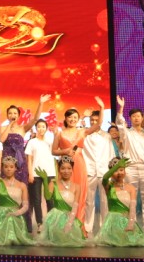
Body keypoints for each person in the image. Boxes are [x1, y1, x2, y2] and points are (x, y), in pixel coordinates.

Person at [51, 96, 105, 227]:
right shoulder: (60, 133)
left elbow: (98, 124)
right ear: (65, 118)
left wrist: (102, 107)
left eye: (75, 117)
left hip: (79, 165)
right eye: (70, 117)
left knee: (80, 195)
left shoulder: (82, 131)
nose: (72, 119)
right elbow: (53, 151)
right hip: (64, 165)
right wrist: (65, 151)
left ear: (78, 119)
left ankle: (79, 225)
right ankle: (63, 224)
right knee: (65, 192)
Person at [115, 95, 144, 233]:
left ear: (142, 118)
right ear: (130, 119)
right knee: (131, 198)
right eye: (134, 116)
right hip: (131, 168)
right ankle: (132, 225)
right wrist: (121, 108)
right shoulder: (126, 133)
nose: (137, 118)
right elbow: (120, 124)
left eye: (139, 116)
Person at [95, 157, 144, 247]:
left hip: (127, 221)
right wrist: (117, 166)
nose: (119, 173)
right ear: (111, 173)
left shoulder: (131, 188)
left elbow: (132, 207)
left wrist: (131, 223)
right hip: (112, 224)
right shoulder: (109, 186)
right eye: (116, 171)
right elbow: (105, 177)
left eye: (121, 170)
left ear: (125, 172)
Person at [0, 95, 51, 195]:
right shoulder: (3, 128)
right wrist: (10, 125)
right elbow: (2, 139)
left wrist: (41, 103)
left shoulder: (22, 128)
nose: (12, 115)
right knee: (7, 186)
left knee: (21, 186)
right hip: (7, 159)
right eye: (10, 113)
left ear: (18, 116)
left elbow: (35, 119)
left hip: (20, 160)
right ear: (7, 116)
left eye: (15, 113)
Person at [0, 154, 34, 246]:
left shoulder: (22, 185)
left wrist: (16, 213)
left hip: (16, 215)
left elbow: (26, 206)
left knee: (11, 220)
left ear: (15, 168)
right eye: (6, 167)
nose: (8, 169)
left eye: (11, 167)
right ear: (2, 168)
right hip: (1, 216)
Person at [35, 156, 86, 247]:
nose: (66, 171)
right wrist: (45, 181)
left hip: (70, 217)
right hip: (55, 218)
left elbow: (75, 206)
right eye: (63, 168)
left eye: (69, 168)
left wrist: (69, 223)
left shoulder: (77, 186)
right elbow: (47, 197)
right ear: (59, 170)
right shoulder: (53, 183)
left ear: (72, 170)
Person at [82, 107, 112, 235]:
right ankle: (87, 228)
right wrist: (83, 117)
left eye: (96, 120)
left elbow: (111, 154)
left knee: (105, 201)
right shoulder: (85, 135)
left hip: (104, 171)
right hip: (89, 171)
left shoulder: (107, 136)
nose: (94, 122)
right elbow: (74, 133)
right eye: (92, 120)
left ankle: (104, 228)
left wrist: (111, 172)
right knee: (89, 201)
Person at [25, 118, 56, 234]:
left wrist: (56, 133)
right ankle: (39, 223)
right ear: (36, 128)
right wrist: (30, 173)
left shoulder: (50, 141)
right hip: (36, 173)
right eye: (39, 126)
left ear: (46, 128)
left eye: (43, 126)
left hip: (49, 172)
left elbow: (55, 152)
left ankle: (51, 223)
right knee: (37, 200)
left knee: (49, 199)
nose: (41, 129)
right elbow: (29, 159)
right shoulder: (32, 142)